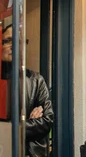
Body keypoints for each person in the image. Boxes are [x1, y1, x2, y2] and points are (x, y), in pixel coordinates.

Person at [2, 24, 54, 157]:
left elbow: (47, 121)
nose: (13, 45)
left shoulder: (36, 80)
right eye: (7, 41)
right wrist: (27, 124)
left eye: (18, 41)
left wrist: (9, 127)